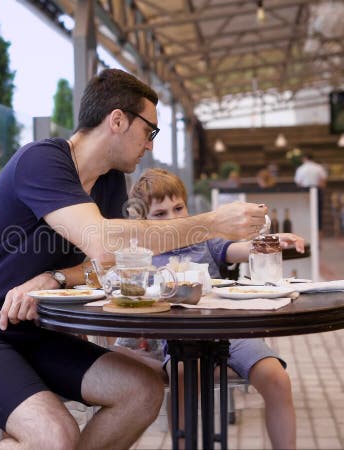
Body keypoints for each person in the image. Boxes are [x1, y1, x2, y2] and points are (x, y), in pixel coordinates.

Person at [0, 69, 269, 449]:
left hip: (34, 332)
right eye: (149, 131)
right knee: (56, 434)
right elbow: (103, 243)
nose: (149, 145)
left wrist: (56, 277)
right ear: (117, 120)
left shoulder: (107, 183)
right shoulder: (42, 161)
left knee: (142, 390)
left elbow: (107, 264)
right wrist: (211, 223)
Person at [117, 168, 300, 449]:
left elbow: (240, 249)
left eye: (179, 208)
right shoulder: (143, 258)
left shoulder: (204, 238)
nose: (174, 218)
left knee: (277, 379)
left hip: (232, 333)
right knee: (183, 385)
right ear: (142, 221)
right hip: (182, 342)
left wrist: (274, 242)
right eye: (160, 214)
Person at [294, 153, 327, 231]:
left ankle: (306, 233)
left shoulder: (301, 168)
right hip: (317, 191)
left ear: (304, 158)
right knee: (318, 215)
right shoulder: (319, 167)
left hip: (305, 192)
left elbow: (298, 183)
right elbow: (323, 183)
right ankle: (319, 238)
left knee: (305, 213)